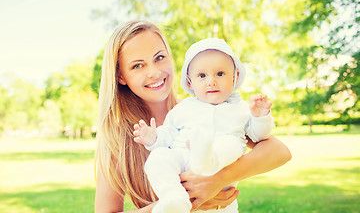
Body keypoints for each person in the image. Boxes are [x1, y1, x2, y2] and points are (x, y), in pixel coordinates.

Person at [94, 20, 292, 213]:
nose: (154, 72)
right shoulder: (116, 138)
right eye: (138, 66)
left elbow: (279, 152)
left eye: (159, 58)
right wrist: (183, 201)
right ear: (120, 76)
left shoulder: (203, 109)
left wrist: (217, 180)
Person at [133, 38, 275, 213]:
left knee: (230, 144)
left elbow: (259, 135)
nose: (211, 81)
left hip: (219, 174)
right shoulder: (183, 108)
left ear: (235, 76)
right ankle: (173, 198)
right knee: (159, 157)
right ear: (190, 82)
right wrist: (152, 137)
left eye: (220, 74)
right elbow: (168, 134)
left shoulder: (242, 109)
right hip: (183, 159)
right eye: (202, 76)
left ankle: (206, 159)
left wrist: (260, 116)